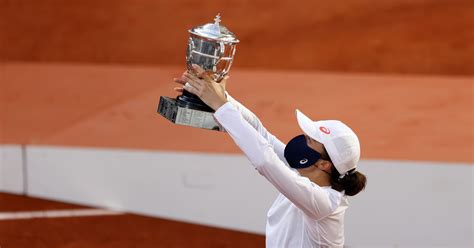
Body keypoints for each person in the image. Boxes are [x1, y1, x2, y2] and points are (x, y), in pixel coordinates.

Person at [173, 64, 367, 248]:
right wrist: (220, 96)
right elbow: (260, 132)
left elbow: (266, 161)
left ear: (325, 164)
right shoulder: (302, 173)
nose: (302, 139)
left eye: (310, 140)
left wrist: (221, 106)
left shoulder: (325, 204)